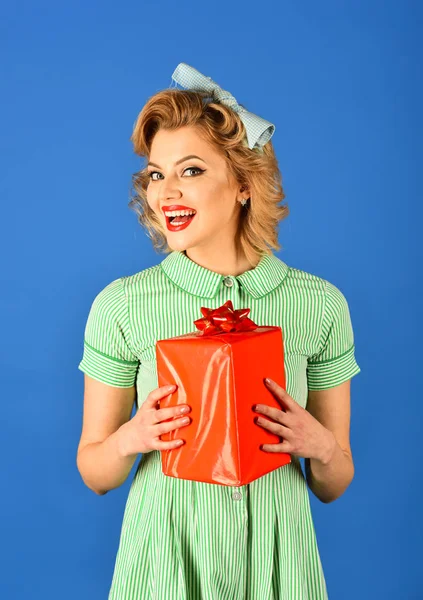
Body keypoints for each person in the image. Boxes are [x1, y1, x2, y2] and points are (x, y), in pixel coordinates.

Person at [76, 63, 361, 600]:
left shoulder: (318, 305)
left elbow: (336, 480)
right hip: (165, 563)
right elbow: (94, 470)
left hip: (278, 563)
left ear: (244, 185)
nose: (166, 193)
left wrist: (319, 445)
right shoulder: (121, 305)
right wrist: (132, 437)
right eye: (156, 174)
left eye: (191, 170)